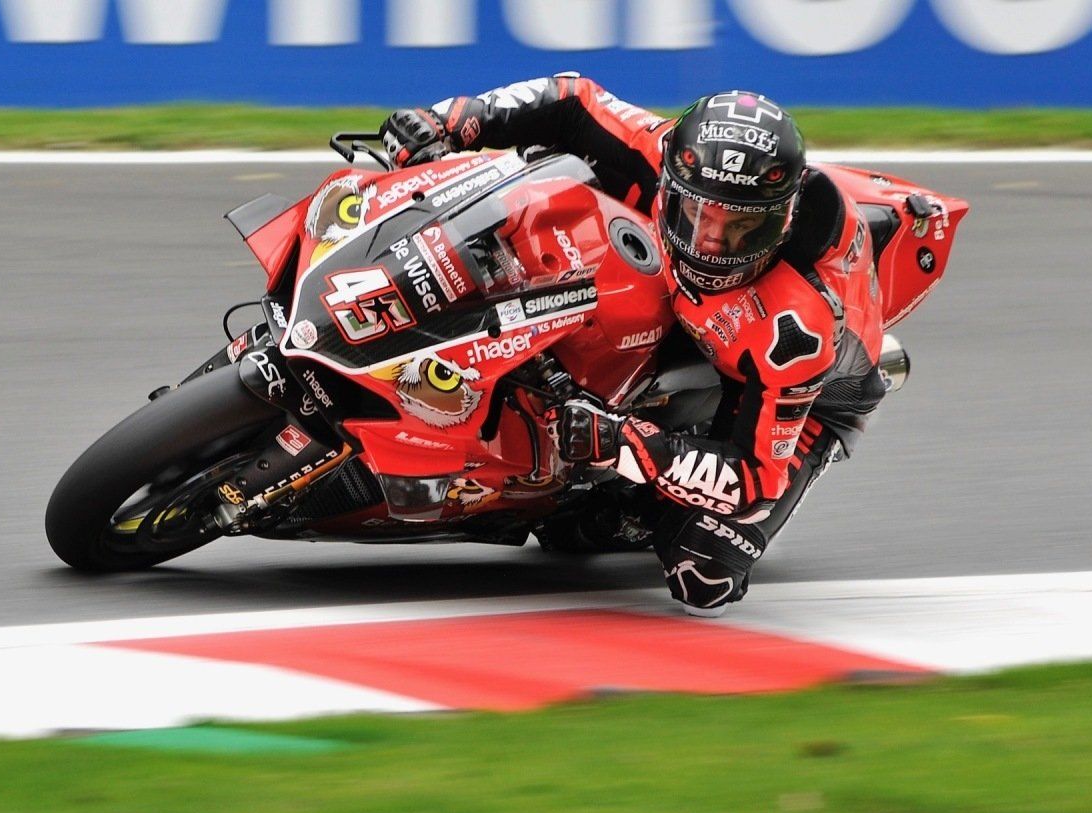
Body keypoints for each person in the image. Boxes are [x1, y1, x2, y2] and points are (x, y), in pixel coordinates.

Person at [380, 76, 887, 616]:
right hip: (688, 314)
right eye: (698, 214)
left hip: (798, 389)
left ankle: (625, 505)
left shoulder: (798, 327)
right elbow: (574, 100)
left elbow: (755, 480)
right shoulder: (672, 154)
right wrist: (452, 120)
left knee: (703, 575)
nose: (713, 243)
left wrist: (627, 443)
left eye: (743, 227)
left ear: (782, 221)